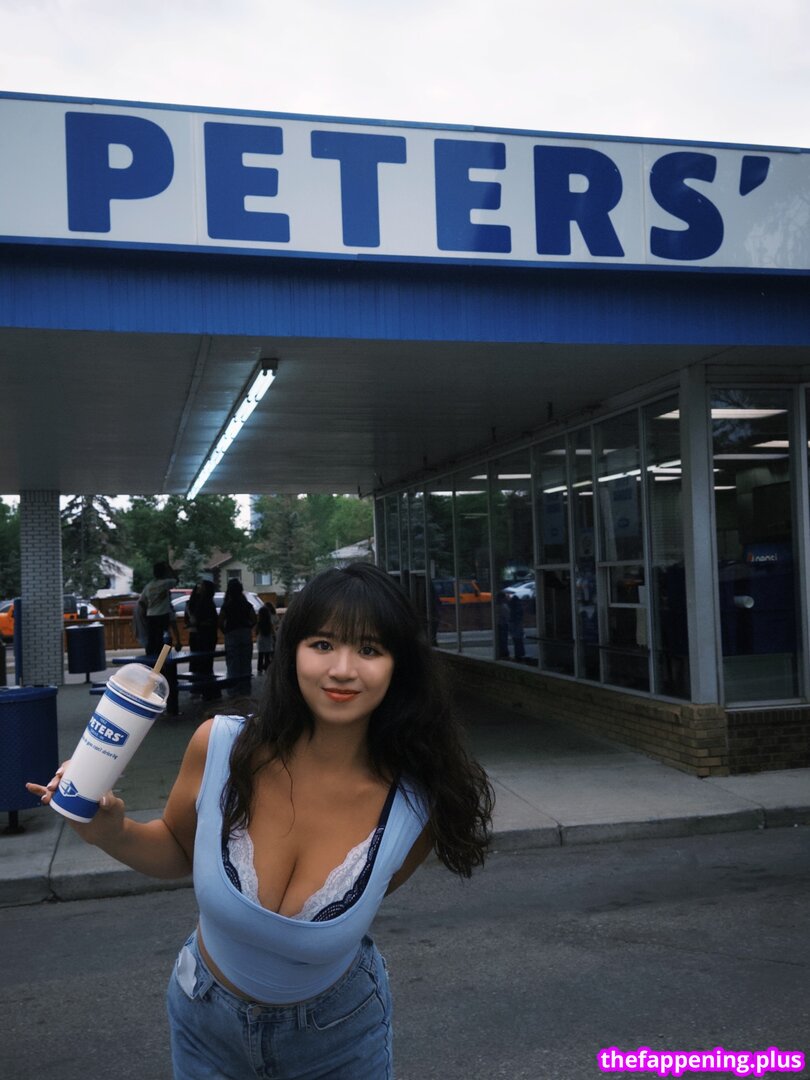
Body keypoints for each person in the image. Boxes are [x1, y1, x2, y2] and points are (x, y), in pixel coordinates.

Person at [28, 563, 494, 1079]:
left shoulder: (416, 804)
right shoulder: (222, 746)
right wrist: (109, 831)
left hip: (339, 1038)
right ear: (291, 651)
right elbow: (178, 850)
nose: (342, 669)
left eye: (369, 650)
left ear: (398, 666)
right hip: (204, 1025)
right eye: (322, 644)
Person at [218, 579, 257, 696]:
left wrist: (225, 631)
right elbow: (254, 619)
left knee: (232, 663)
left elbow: (220, 621)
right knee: (246, 663)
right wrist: (248, 627)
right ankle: (245, 689)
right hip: (245, 634)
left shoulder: (226, 606)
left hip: (231, 634)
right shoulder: (247, 605)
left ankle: (234, 690)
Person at [186, 580, 220, 701]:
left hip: (201, 636)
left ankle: (202, 689)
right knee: (207, 664)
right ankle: (209, 691)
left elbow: (195, 620)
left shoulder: (201, 603)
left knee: (200, 664)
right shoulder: (209, 603)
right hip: (209, 636)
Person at [140, 561, 182, 656]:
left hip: (151, 615)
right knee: (163, 638)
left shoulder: (148, 586)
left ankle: (151, 657)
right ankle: (162, 659)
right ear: (164, 572)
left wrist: (146, 611)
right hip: (162, 615)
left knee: (152, 638)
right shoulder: (166, 583)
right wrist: (170, 568)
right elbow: (176, 580)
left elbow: (142, 602)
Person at [256, 599, 279, 673]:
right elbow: (273, 631)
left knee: (260, 654)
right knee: (267, 655)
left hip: (261, 639)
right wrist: (275, 637)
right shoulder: (269, 623)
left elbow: (256, 631)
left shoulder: (259, 622)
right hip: (268, 639)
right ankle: (266, 667)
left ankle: (259, 667)